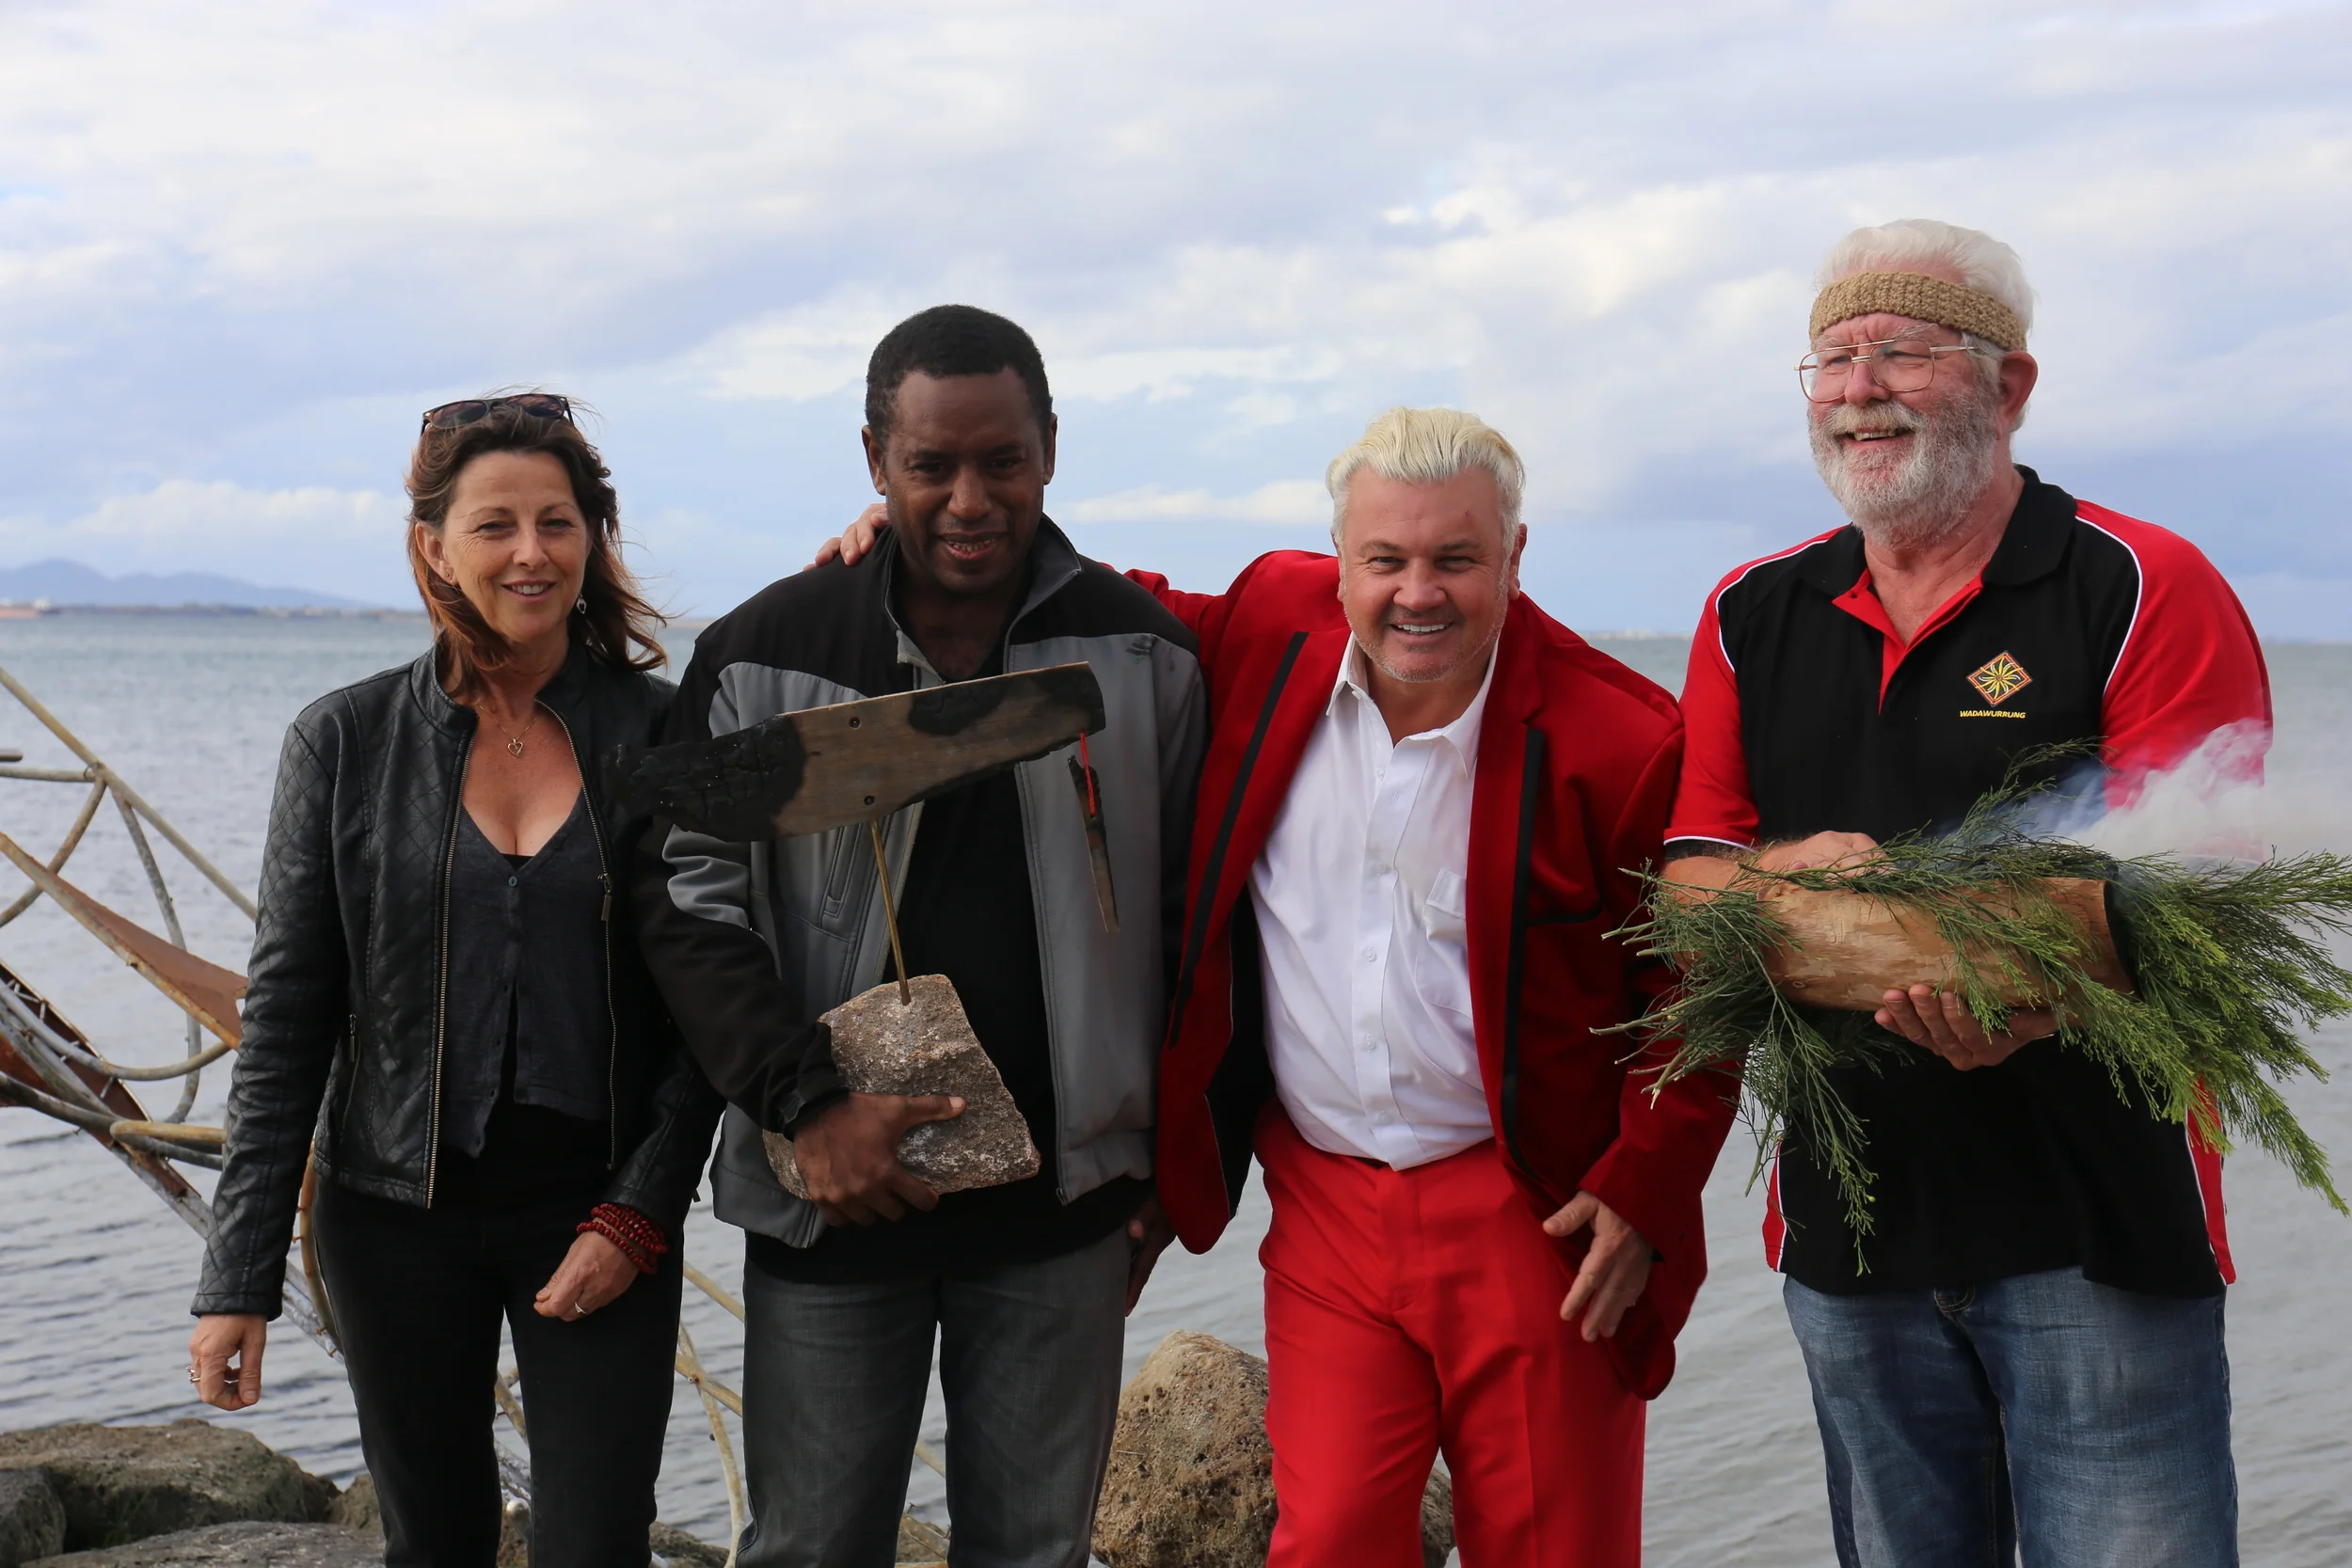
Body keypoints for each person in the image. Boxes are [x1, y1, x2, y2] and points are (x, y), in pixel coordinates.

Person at [828, 405, 1737, 1566]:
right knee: (1330, 1538)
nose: (1419, 593)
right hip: (1323, 1200)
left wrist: (1645, 1184)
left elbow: (1703, 989)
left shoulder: (1621, 735)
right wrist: (935, 545)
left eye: (1456, 559)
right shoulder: (1271, 621)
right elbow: (1113, 606)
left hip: (1528, 1207)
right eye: (1384, 560)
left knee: (1552, 1546)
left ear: (1512, 554)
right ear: (1338, 558)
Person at [1663, 220, 2268, 1568]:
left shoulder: (2136, 583)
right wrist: (1783, 874)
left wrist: (2033, 1006)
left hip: (2100, 1230)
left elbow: (2204, 909)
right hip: (1849, 1233)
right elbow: (1692, 877)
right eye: (1833, 356)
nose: (1859, 385)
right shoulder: (1747, 611)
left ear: (2010, 385)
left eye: (1904, 350)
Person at [635, 305, 1207, 1568]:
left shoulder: (1143, 655)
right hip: (836, 1201)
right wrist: (807, 1106)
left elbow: (1193, 933)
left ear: (1050, 448)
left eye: (1001, 460)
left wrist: (1172, 1162)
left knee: (1035, 1552)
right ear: (873, 460)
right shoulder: (764, 651)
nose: (968, 497)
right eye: (929, 465)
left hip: (1062, 1209)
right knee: (809, 1546)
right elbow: (685, 899)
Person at [189, 394, 724, 1568]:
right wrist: (239, 1278)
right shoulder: (343, 739)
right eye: (495, 524)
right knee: (433, 1540)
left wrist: (639, 1211)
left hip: (598, 1210)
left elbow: (714, 1009)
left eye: (558, 520)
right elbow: (286, 1018)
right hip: (388, 1217)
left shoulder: (664, 732)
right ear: (433, 544)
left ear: (593, 537)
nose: (531, 551)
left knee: (596, 1541)